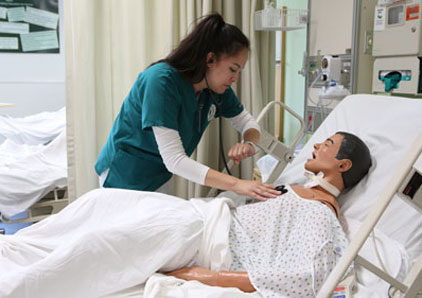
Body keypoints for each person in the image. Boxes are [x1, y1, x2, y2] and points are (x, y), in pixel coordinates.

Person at [0, 132, 371, 298]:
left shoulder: (320, 214)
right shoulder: (295, 188)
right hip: (195, 212)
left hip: (200, 234)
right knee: (97, 204)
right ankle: (13, 252)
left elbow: (302, 280)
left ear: (343, 163)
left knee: (97, 245)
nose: (319, 142)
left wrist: (207, 277)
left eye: (329, 143)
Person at [95, 13, 279, 201]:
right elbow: (175, 160)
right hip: (126, 174)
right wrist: (238, 184)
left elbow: (249, 123)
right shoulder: (161, 82)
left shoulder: (214, 89)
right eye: (233, 69)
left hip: (160, 175)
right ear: (210, 59)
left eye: (239, 71)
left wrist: (248, 144)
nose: (235, 78)